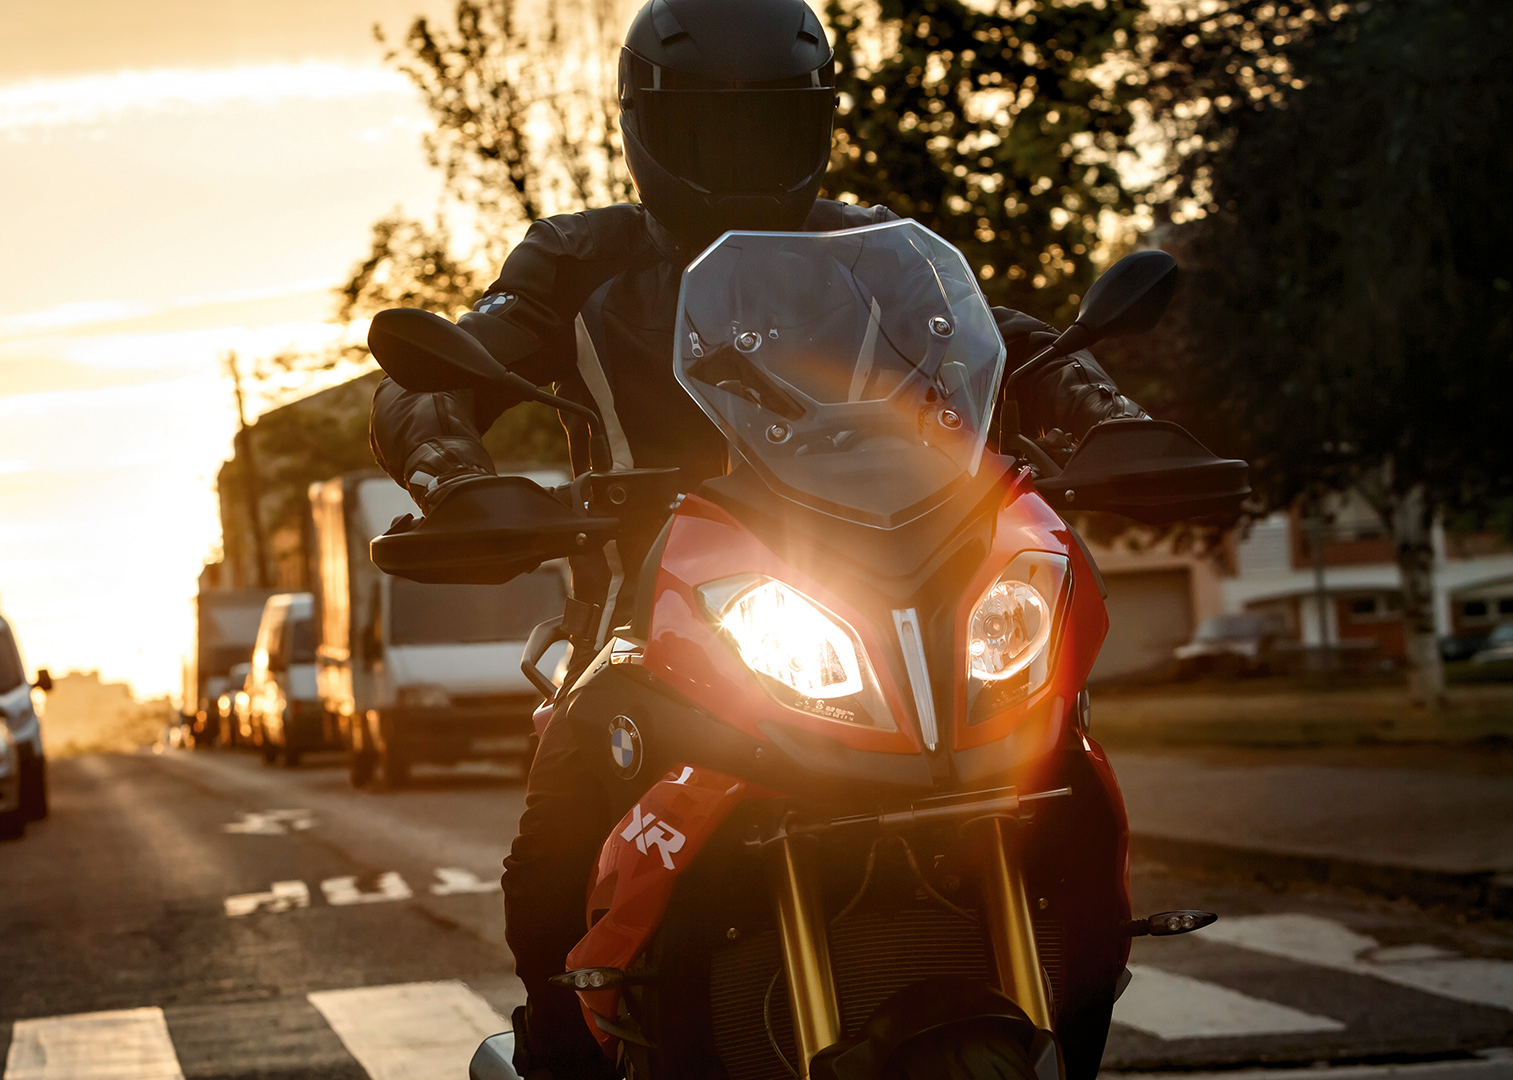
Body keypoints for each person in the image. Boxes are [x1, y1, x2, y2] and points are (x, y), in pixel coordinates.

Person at [367, 0, 1144, 1074]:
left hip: (881, 595)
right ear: (647, 122)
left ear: (815, 119)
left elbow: (1016, 344)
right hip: (651, 629)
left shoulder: (875, 252)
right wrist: (454, 474)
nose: (737, 148)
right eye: (704, 122)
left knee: (1056, 760)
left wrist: (1111, 419)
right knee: (551, 867)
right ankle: (569, 1042)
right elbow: (434, 373)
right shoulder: (577, 259)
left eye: (769, 119)